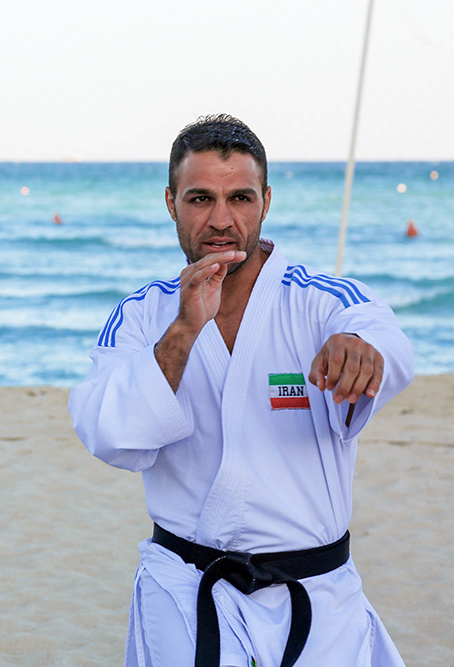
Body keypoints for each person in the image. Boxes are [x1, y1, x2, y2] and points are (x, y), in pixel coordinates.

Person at [69, 114, 412, 667]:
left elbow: (385, 337)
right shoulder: (143, 313)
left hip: (315, 587)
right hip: (186, 585)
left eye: (241, 198)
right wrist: (183, 331)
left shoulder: (321, 301)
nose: (221, 220)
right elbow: (104, 430)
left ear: (266, 201)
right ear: (171, 202)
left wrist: (361, 350)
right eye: (200, 198)